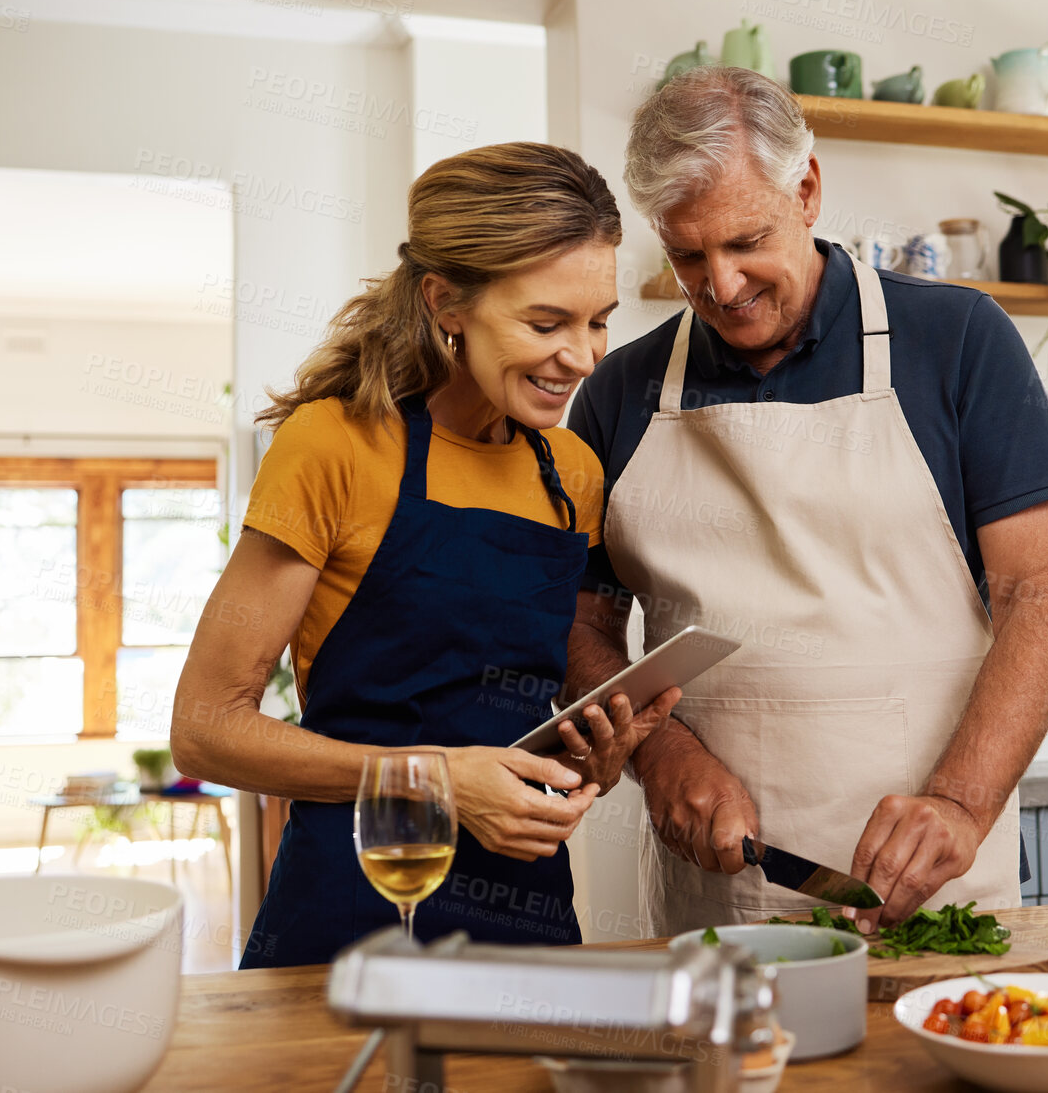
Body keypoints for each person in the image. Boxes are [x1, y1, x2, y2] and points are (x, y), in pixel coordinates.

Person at [567, 67, 1048, 936]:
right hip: (715, 898)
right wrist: (659, 753)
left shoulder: (959, 342)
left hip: (931, 884)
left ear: (806, 189)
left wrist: (959, 800)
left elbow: (1044, 595)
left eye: (745, 241)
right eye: (687, 255)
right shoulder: (619, 390)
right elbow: (579, 627)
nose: (722, 285)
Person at [172, 142, 677, 968]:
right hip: (356, 906)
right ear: (447, 302)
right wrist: (440, 779)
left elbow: (517, 728)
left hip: (528, 922)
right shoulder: (333, 445)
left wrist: (597, 758)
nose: (583, 357)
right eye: (545, 323)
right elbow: (203, 731)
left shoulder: (571, 475)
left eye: (597, 322)